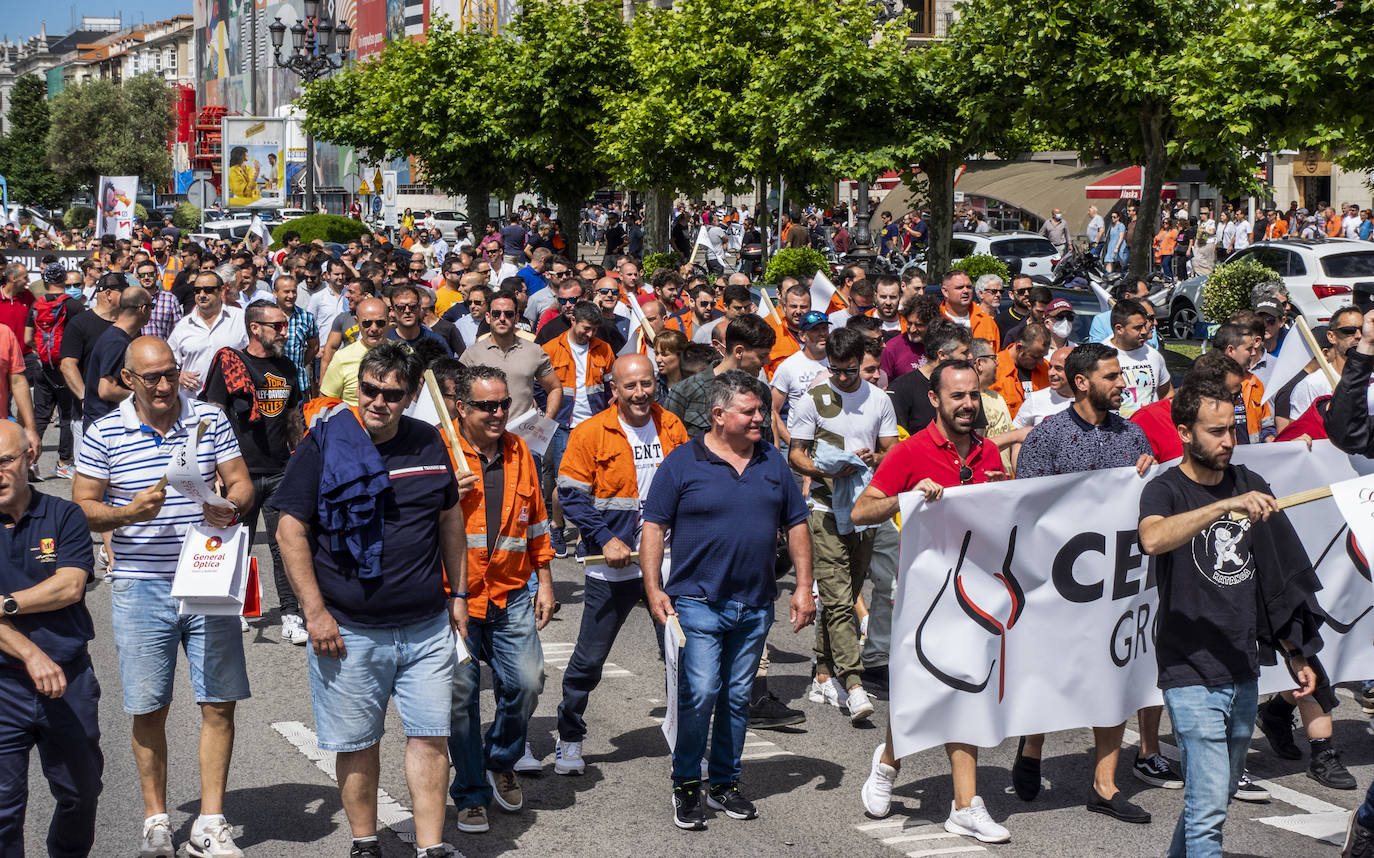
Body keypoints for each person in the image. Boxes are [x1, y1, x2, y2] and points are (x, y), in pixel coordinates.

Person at [272, 343, 467, 858]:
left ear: (409, 397)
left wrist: (461, 594)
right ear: (358, 385)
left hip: (426, 625)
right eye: (370, 390)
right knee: (358, 744)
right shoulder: (324, 442)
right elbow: (289, 529)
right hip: (349, 628)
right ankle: (365, 843)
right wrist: (313, 613)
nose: (378, 401)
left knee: (431, 738)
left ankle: (431, 847)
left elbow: (450, 520)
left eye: (392, 394)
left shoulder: (429, 441)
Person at [72, 336, 255, 858]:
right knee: (149, 705)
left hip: (207, 574)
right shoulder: (105, 431)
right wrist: (126, 514)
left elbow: (241, 482)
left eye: (170, 374)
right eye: (151, 377)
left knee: (219, 701)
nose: (163, 385)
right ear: (128, 379)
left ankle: (211, 822)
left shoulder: (209, 419)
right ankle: (156, 819)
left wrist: (231, 505)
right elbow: (81, 506)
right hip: (139, 582)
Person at [1138, 377, 1320, 858]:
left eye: (1232, 430)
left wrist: (1294, 653)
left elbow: (1275, 578)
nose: (1228, 441)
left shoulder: (1250, 483)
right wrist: (1223, 507)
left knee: (1210, 798)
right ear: (1183, 432)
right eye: (1215, 431)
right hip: (1188, 671)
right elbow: (1153, 539)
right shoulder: (1165, 490)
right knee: (1210, 814)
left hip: (1242, 671)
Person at [641, 370, 815, 830]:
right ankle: (686, 784)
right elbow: (654, 526)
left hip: (755, 603)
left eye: (762, 410)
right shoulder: (682, 463)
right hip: (696, 601)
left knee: (738, 697)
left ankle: (723, 783)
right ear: (719, 415)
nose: (761, 418)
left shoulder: (772, 462)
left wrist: (802, 586)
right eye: (751, 411)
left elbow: (796, 523)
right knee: (700, 694)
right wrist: (654, 587)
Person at [854, 360, 1010, 844]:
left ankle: (965, 805)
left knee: (963, 688)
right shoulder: (911, 451)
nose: (967, 404)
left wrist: (1004, 491)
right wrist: (908, 497)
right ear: (936, 400)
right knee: (920, 688)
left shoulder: (987, 451)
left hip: (976, 592)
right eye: (957, 396)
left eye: (973, 395)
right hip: (924, 594)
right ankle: (886, 764)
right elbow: (863, 511)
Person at [1008, 343, 1157, 822]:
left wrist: (1148, 473)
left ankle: (1104, 783)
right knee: (1049, 671)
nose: (1122, 384)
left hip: (1115, 583)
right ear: (1082, 382)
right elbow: (1024, 506)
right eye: (1112, 377)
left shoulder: (1133, 435)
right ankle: (1032, 745)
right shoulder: (1047, 437)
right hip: (1058, 580)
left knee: (1112, 674)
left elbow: (1147, 502)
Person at [553, 355, 688, 776]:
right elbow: (571, 493)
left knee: (680, 656)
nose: (640, 393)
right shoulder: (591, 432)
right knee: (589, 660)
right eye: (630, 386)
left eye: (646, 384)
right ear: (615, 389)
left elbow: (691, 485)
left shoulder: (672, 426)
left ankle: (686, 741)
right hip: (612, 566)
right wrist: (606, 537)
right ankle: (569, 737)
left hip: (666, 563)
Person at [434, 361, 553, 835]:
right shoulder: (441, 452)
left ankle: (500, 757)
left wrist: (544, 581)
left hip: (509, 592)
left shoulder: (519, 449)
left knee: (527, 683)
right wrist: (441, 491)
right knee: (460, 696)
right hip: (453, 598)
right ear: (460, 408)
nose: (499, 412)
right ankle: (469, 791)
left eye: (504, 403)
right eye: (486, 405)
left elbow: (538, 521)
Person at [0, 420, 103, 858]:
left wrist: (5, 604)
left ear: (29, 457)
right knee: (3, 810)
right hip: (4, 684)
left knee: (81, 795)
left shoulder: (64, 515)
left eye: (4, 461)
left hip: (70, 680)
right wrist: (29, 652)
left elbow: (69, 587)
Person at [786, 328, 897, 721]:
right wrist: (822, 468)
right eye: (836, 371)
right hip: (824, 508)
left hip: (865, 511)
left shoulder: (879, 399)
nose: (844, 378)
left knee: (848, 591)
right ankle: (853, 683)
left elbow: (891, 452)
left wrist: (873, 459)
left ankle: (821, 672)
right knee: (836, 597)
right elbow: (794, 455)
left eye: (851, 371)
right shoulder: (813, 400)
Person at [200, 301, 306, 646]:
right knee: (237, 546)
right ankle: (237, 609)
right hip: (239, 473)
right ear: (255, 328)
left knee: (285, 545)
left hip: (280, 471)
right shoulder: (231, 363)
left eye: (285, 325)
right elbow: (213, 414)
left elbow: (293, 417)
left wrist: (301, 458)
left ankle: (291, 614)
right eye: (278, 325)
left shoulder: (288, 367)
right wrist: (212, 466)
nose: (285, 331)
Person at [541, 301, 617, 558]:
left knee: (593, 483)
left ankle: (585, 535)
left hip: (596, 424)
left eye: (595, 329)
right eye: (586, 328)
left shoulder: (603, 349)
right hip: (564, 425)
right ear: (573, 320)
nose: (591, 334)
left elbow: (611, 387)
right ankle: (557, 526)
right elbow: (539, 388)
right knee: (565, 483)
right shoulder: (551, 349)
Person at [82, 285, 154, 431]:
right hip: (104, 427)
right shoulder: (116, 342)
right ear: (144, 309)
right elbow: (106, 390)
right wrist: (143, 397)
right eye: (151, 306)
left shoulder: (117, 337)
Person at [167, 272, 249, 395]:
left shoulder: (241, 318)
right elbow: (168, 361)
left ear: (221, 290)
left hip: (233, 401)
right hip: (193, 403)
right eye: (197, 290)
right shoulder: (183, 326)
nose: (202, 295)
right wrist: (179, 375)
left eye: (208, 290)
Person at [889, 320, 974, 435]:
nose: (970, 356)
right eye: (964, 352)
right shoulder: (901, 389)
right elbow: (897, 444)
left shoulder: (968, 383)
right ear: (942, 355)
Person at [770, 310, 831, 446]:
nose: (822, 334)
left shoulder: (838, 361)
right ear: (803, 336)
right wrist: (791, 442)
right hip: (800, 441)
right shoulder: (788, 367)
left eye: (824, 328)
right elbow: (773, 409)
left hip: (832, 443)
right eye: (815, 330)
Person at [1104, 299, 1171, 416]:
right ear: (1119, 329)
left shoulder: (1153, 355)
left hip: (1149, 431)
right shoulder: (1100, 356)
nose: (1144, 331)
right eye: (1138, 328)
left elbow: (1166, 393)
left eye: (1145, 325)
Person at [320, 298, 391, 406]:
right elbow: (325, 403)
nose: (374, 328)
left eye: (380, 323)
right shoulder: (342, 358)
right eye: (367, 323)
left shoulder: (404, 352)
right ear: (357, 322)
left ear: (389, 321)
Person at [989, 323, 1051, 420]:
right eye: (1035, 357)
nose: (1040, 362)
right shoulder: (994, 369)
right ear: (1019, 347)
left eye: (1043, 356)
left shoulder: (1046, 368)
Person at [1012, 345, 1073, 429]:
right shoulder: (1036, 399)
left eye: (1058, 368)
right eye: (1050, 367)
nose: (1051, 373)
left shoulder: (1090, 400)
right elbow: (1015, 434)